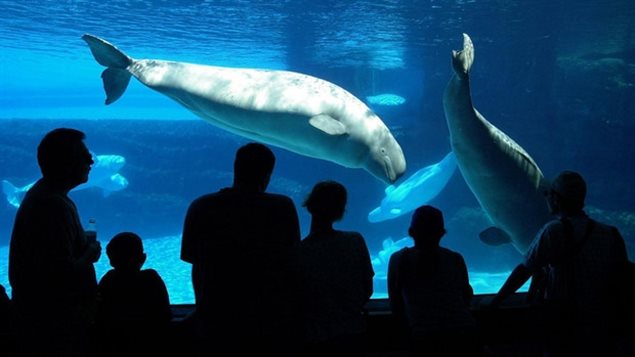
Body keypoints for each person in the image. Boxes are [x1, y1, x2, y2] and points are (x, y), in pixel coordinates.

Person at [180, 142, 302, 356]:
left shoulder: (202, 206)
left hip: (217, 316)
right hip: (269, 317)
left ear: (236, 169)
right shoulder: (282, 207)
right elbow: (293, 260)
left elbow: (194, 262)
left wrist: (202, 310)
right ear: (268, 174)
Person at [490, 170, 628, 356]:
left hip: (564, 321)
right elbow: (623, 275)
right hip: (601, 320)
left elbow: (524, 270)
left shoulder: (554, 231)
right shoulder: (611, 233)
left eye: (548, 194)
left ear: (556, 198)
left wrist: (495, 302)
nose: (546, 198)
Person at [8, 128, 102, 356]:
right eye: (83, 155)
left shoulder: (51, 196)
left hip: (53, 320)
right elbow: (58, 273)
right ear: (65, 162)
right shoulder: (51, 205)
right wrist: (89, 254)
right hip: (55, 326)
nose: (91, 159)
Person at [388, 205, 479, 356]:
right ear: (442, 233)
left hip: (423, 335)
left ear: (411, 232)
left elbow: (395, 303)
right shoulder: (455, 258)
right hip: (464, 332)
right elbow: (467, 297)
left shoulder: (399, 259)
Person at [300, 181, 374, 356]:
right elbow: (367, 288)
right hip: (353, 331)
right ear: (341, 211)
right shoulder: (355, 241)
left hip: (315, 337)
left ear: (309, 205)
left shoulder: (299, 251)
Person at [96, 232, 171, 357]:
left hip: (113, 346)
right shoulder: (151, 279)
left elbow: (99, 313)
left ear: (111, 262)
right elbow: (165, 314)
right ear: (143, 258)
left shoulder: (108, 279)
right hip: (150, 346)